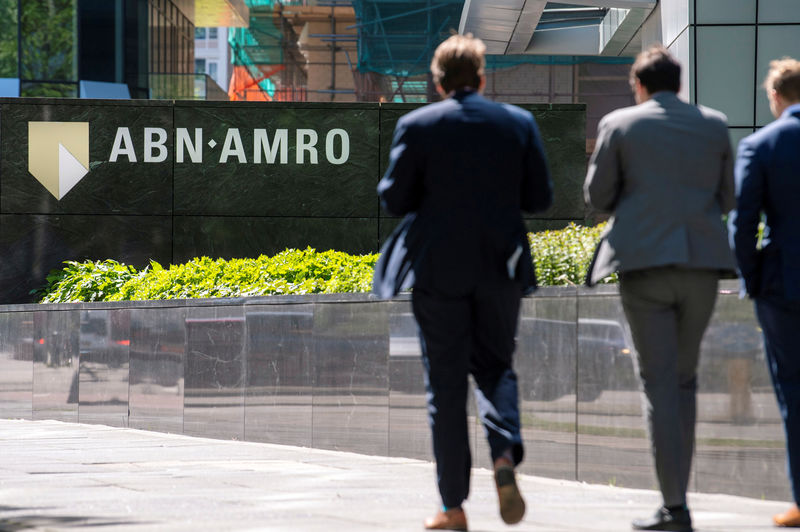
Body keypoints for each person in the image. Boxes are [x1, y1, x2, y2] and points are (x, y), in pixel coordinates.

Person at [375, 33, 553, 530]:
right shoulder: (517, 123)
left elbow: (394, 199)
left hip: (438, 271)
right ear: (481, 77)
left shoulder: (417, 125)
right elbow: (539, 197)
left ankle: (452, 508)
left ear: (437, 83)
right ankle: (502, 457)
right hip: (501, 268)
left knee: (446, 387)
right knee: (497, 367)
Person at [584, 45, 735, 531]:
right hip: (701, 265)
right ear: (679, 84)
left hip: (644, 265)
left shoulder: (620, 124)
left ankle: (675, 506)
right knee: (684, 381)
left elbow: (597, 196)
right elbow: (728, 197)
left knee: (658, 382)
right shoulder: (713, 124)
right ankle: (678, 502)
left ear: (639, 84)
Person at [730, 57, 800, 528]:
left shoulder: (761, 145)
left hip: (784, 284)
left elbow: (742, 224)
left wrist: (751, 280)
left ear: (775, 96)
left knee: (794, 390)